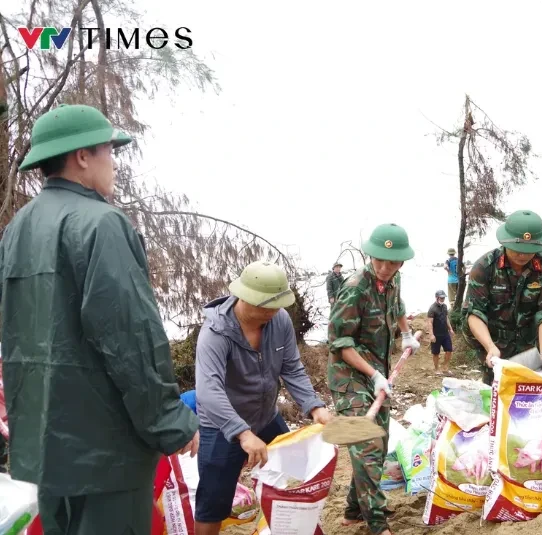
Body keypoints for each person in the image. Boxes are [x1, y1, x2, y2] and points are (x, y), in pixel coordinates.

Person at [0, 104, 199, 533]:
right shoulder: (101, 223)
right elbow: (131, 337)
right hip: (107, 451)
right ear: (82, 156)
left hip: (46, 447)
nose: (114, 162)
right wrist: (171, 421)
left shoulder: (17, 228)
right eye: (109, 150)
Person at [194, 260, 331, 535]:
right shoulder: (215, 333)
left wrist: (314, 406)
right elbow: (209, 391)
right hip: (222, 426)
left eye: (277, 305)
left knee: (292, 479)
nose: (273, 312)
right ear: (245, 297)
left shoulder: (278, 320)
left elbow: (291, 367)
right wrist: (242, 434)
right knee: (213, 500)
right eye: (266, 306)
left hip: (266, 417)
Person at [328, 223, 421, 535]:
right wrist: (374, 374)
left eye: (392, 263)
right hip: (349, 378)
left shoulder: (392, 282)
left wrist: (406, 334)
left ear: (401, 263)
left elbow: (398, 308)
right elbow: (340, 344)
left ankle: (353, 511)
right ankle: (378, 525)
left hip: (375, 375)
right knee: (367, 446)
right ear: (371, 255)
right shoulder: (355, 288)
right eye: (379, 260)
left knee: (377, 446)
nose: (384, 268)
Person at [462, 210, 542, 385]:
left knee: (526, 394)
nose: (522, 255)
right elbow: (475, 313)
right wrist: (490, 347)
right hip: (492, 342)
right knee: (494, 391)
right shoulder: (484, 267)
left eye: (529, 251)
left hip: (526, 344)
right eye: (517, 249)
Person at [427, 290, 455, 375]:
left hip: (445, 333)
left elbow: (446, 318)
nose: (443, 299)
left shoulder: (445, 306)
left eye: (444, 298)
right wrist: (431, 335)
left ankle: (445, 367)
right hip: (436, 334)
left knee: (449, 350)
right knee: (436, 353)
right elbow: (429, 322)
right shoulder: (432, 308)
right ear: (437, 297)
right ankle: (436, 369)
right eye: (441, 298)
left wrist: (450, 329)